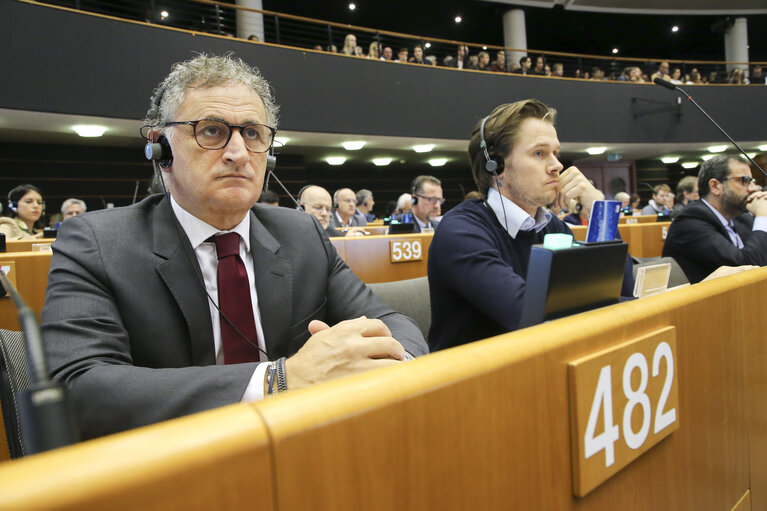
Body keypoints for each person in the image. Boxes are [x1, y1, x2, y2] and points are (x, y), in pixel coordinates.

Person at [41, 54, 427, 440]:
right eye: (211, 131)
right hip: (170, 467)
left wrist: (392, 366)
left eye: (254, 134)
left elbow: (392, 323)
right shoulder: (96, 242)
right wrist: (279, 380)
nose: (238, 153)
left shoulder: (301, 233)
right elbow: (80, 389)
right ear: (161, 149)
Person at [427, 99, 635, 352]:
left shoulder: (553, 226)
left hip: (547, 365)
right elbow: (529, 315)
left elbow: (620, 289)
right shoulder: (460, 232)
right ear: (497, 167)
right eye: (539, 153)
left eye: (555, 153)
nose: (557, 166)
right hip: (477, 383)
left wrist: (599, 210)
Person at [663, 154, 767, 283]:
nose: (753, 188)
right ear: (715, 186)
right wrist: (763, 216)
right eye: (744, 181)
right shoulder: (690, 222)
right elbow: (747, 268)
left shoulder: (742, 218)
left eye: (752, 182)